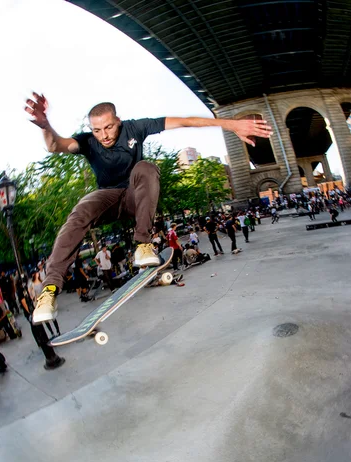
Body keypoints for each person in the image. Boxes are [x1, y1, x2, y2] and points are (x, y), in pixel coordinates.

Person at [25, 92, 272, 322]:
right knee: (81, 209)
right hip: (107, 199)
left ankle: (143, 244)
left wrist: (231, 125)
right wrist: (45, 125)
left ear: (118, 121)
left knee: (146, 167)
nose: (105, 135)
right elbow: (55, 145)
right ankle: (49, 290)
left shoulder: (135, 128)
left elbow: (184, 121)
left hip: (136, 195)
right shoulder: (88, 141)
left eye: (109, 127)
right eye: (97, 130)